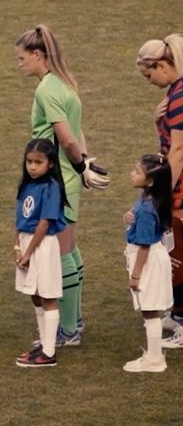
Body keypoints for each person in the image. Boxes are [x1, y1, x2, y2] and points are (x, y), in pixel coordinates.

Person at [15, 25, 109, 347]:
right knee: (71, 248)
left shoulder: (46, 90)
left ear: (38, 55)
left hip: (58, 181)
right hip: (68, 176)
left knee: (62, 253)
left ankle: (67, 331)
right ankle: (76, 319)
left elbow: (65, 137)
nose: (20, 63)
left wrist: (81, 165)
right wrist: (82, 163)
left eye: (22, 57)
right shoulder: (63, 83)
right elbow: (75, 134)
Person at [135, 34, 183, 348]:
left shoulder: (179, 96)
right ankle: (178, 315)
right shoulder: (175, 92)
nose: (149, 80)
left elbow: (177, 151)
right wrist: (157, 122)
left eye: (149, 74)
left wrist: (165, 191)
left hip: (181, 187)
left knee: (179, 253)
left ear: (163, 64)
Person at [14, 139, 68, 368]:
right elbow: (19, 220)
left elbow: (44, 223)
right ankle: (44, 343)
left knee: (47, 296)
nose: (33, 167)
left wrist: (28, 254)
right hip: (27, 243)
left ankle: (49, 352)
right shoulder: (27, 185)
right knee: (34, 294)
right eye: (29, 162)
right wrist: (17, 247)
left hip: (42, 246)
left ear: (51, 164)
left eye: (38, 162)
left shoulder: (51, 187)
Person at [123, 154, 173, 373]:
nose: (132, 174)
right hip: (154, 256)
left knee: (150, 311)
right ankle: (153, 356)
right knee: (150, 310)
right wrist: (128, 217)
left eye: (137, 171)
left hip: (148, 259)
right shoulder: (149, 199)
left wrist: (135, 276)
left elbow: (144, 245)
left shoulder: (146, 208)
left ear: (150, 181)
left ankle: (154, 360)